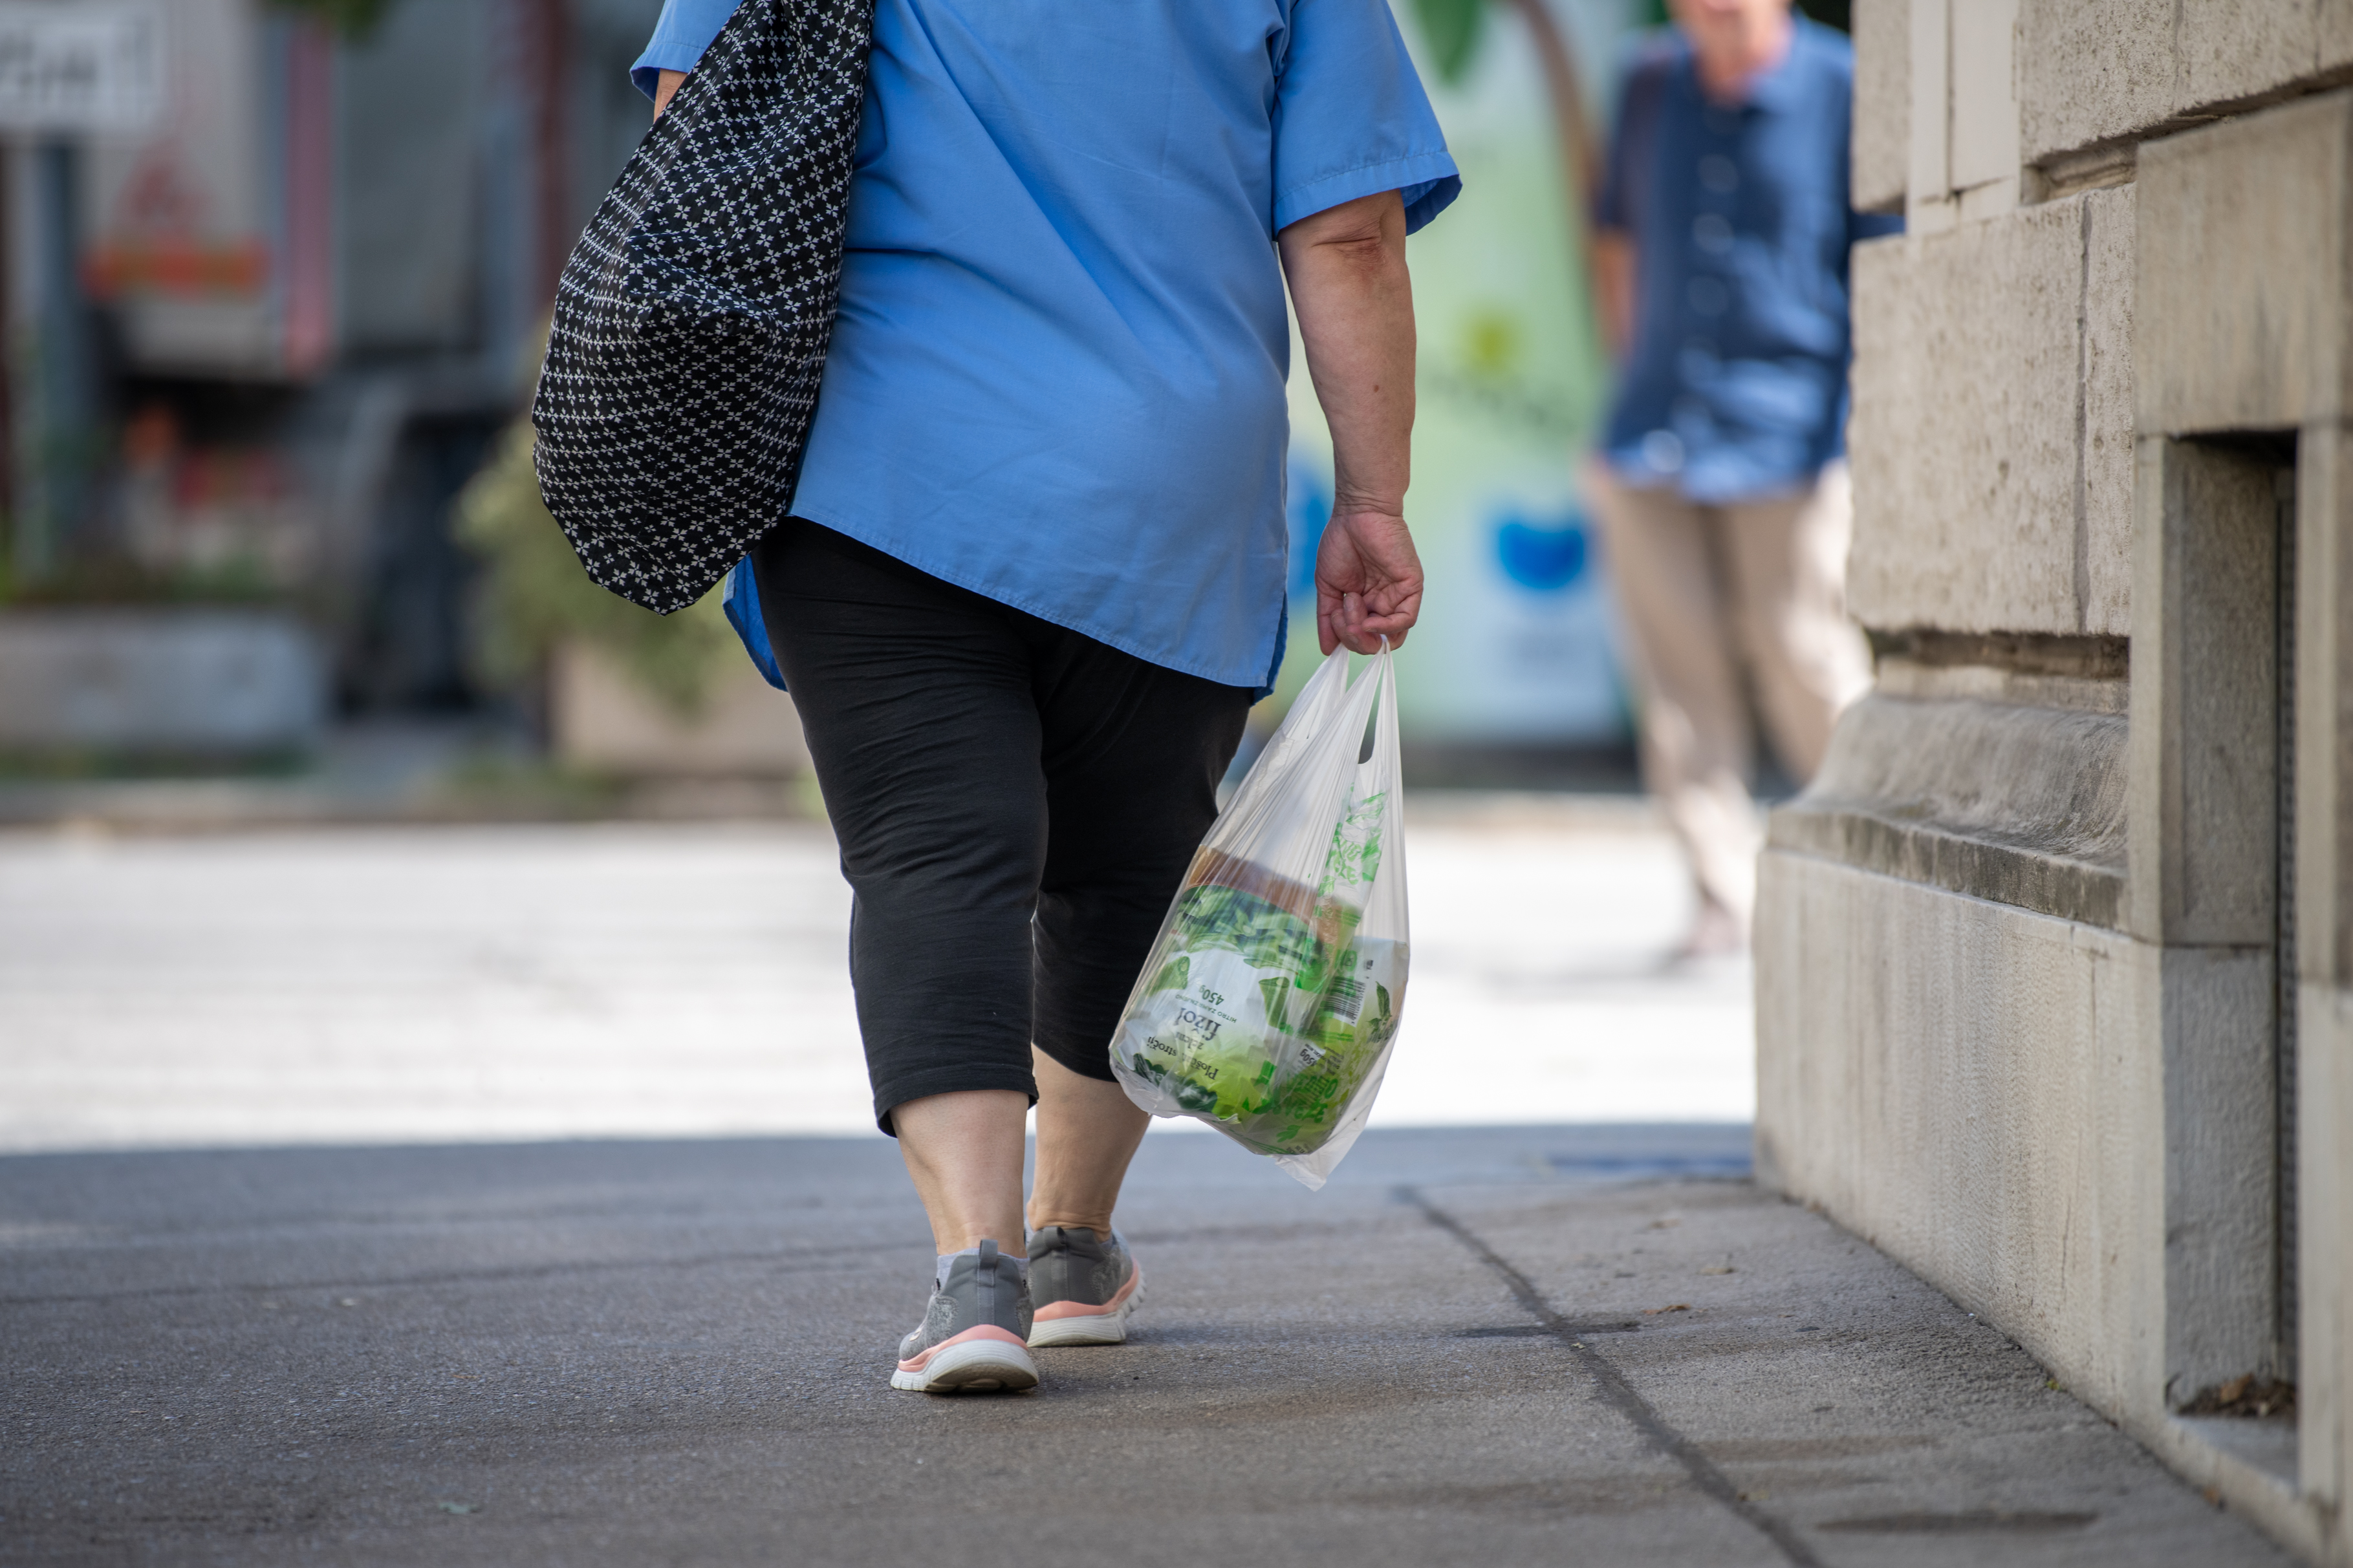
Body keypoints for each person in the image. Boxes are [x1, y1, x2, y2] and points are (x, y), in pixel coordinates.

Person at [629, 0, 1457, 1391]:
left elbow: (695, 151)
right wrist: (1371, 498)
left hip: (872, 463)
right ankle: (1071, 1243)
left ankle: (974, 1275)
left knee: (930, 853)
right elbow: (1348, 233)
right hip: (1165, 474)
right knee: (1127, 858)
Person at [1585, 0, 1894, 958]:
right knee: (1676, 678)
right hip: (1654, 426)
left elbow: (1882, 263)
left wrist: (1860, 424)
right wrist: (1626, 380)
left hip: (1791, 429)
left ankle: (1874, 867)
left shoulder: (1844, 85)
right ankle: (1720, 892)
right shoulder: (1648, 80)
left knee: (1805, 652)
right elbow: (1616, 241)